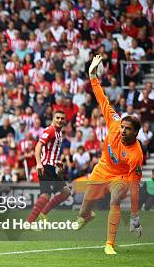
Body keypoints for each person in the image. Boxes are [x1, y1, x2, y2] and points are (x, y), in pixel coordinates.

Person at [76, 55, 144, 255]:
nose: (123, 130)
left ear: (136, 133)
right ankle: (86, 216)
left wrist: (134, 216)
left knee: (115, 199)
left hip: (120, 176)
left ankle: (109, 244)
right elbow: (101, 98)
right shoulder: (114, 124)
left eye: (128, 129)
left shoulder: (136, 155)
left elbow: (134, 186)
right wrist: (92, 76)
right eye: (122, 127)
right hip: (103, 168)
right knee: (84, 209)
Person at [26, 110, 71, 222]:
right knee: (46, 195)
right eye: (57, 118)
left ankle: (42, 214)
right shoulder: (50, 130)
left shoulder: (59, 132)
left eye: (62, 118)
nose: (60, 120)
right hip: (45, 167)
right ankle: (29, 222)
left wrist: (56, 162)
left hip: (51, 166)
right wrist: (39, 163)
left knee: (66, 192)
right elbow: (38, 146)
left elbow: (48, 151)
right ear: (53, 118)